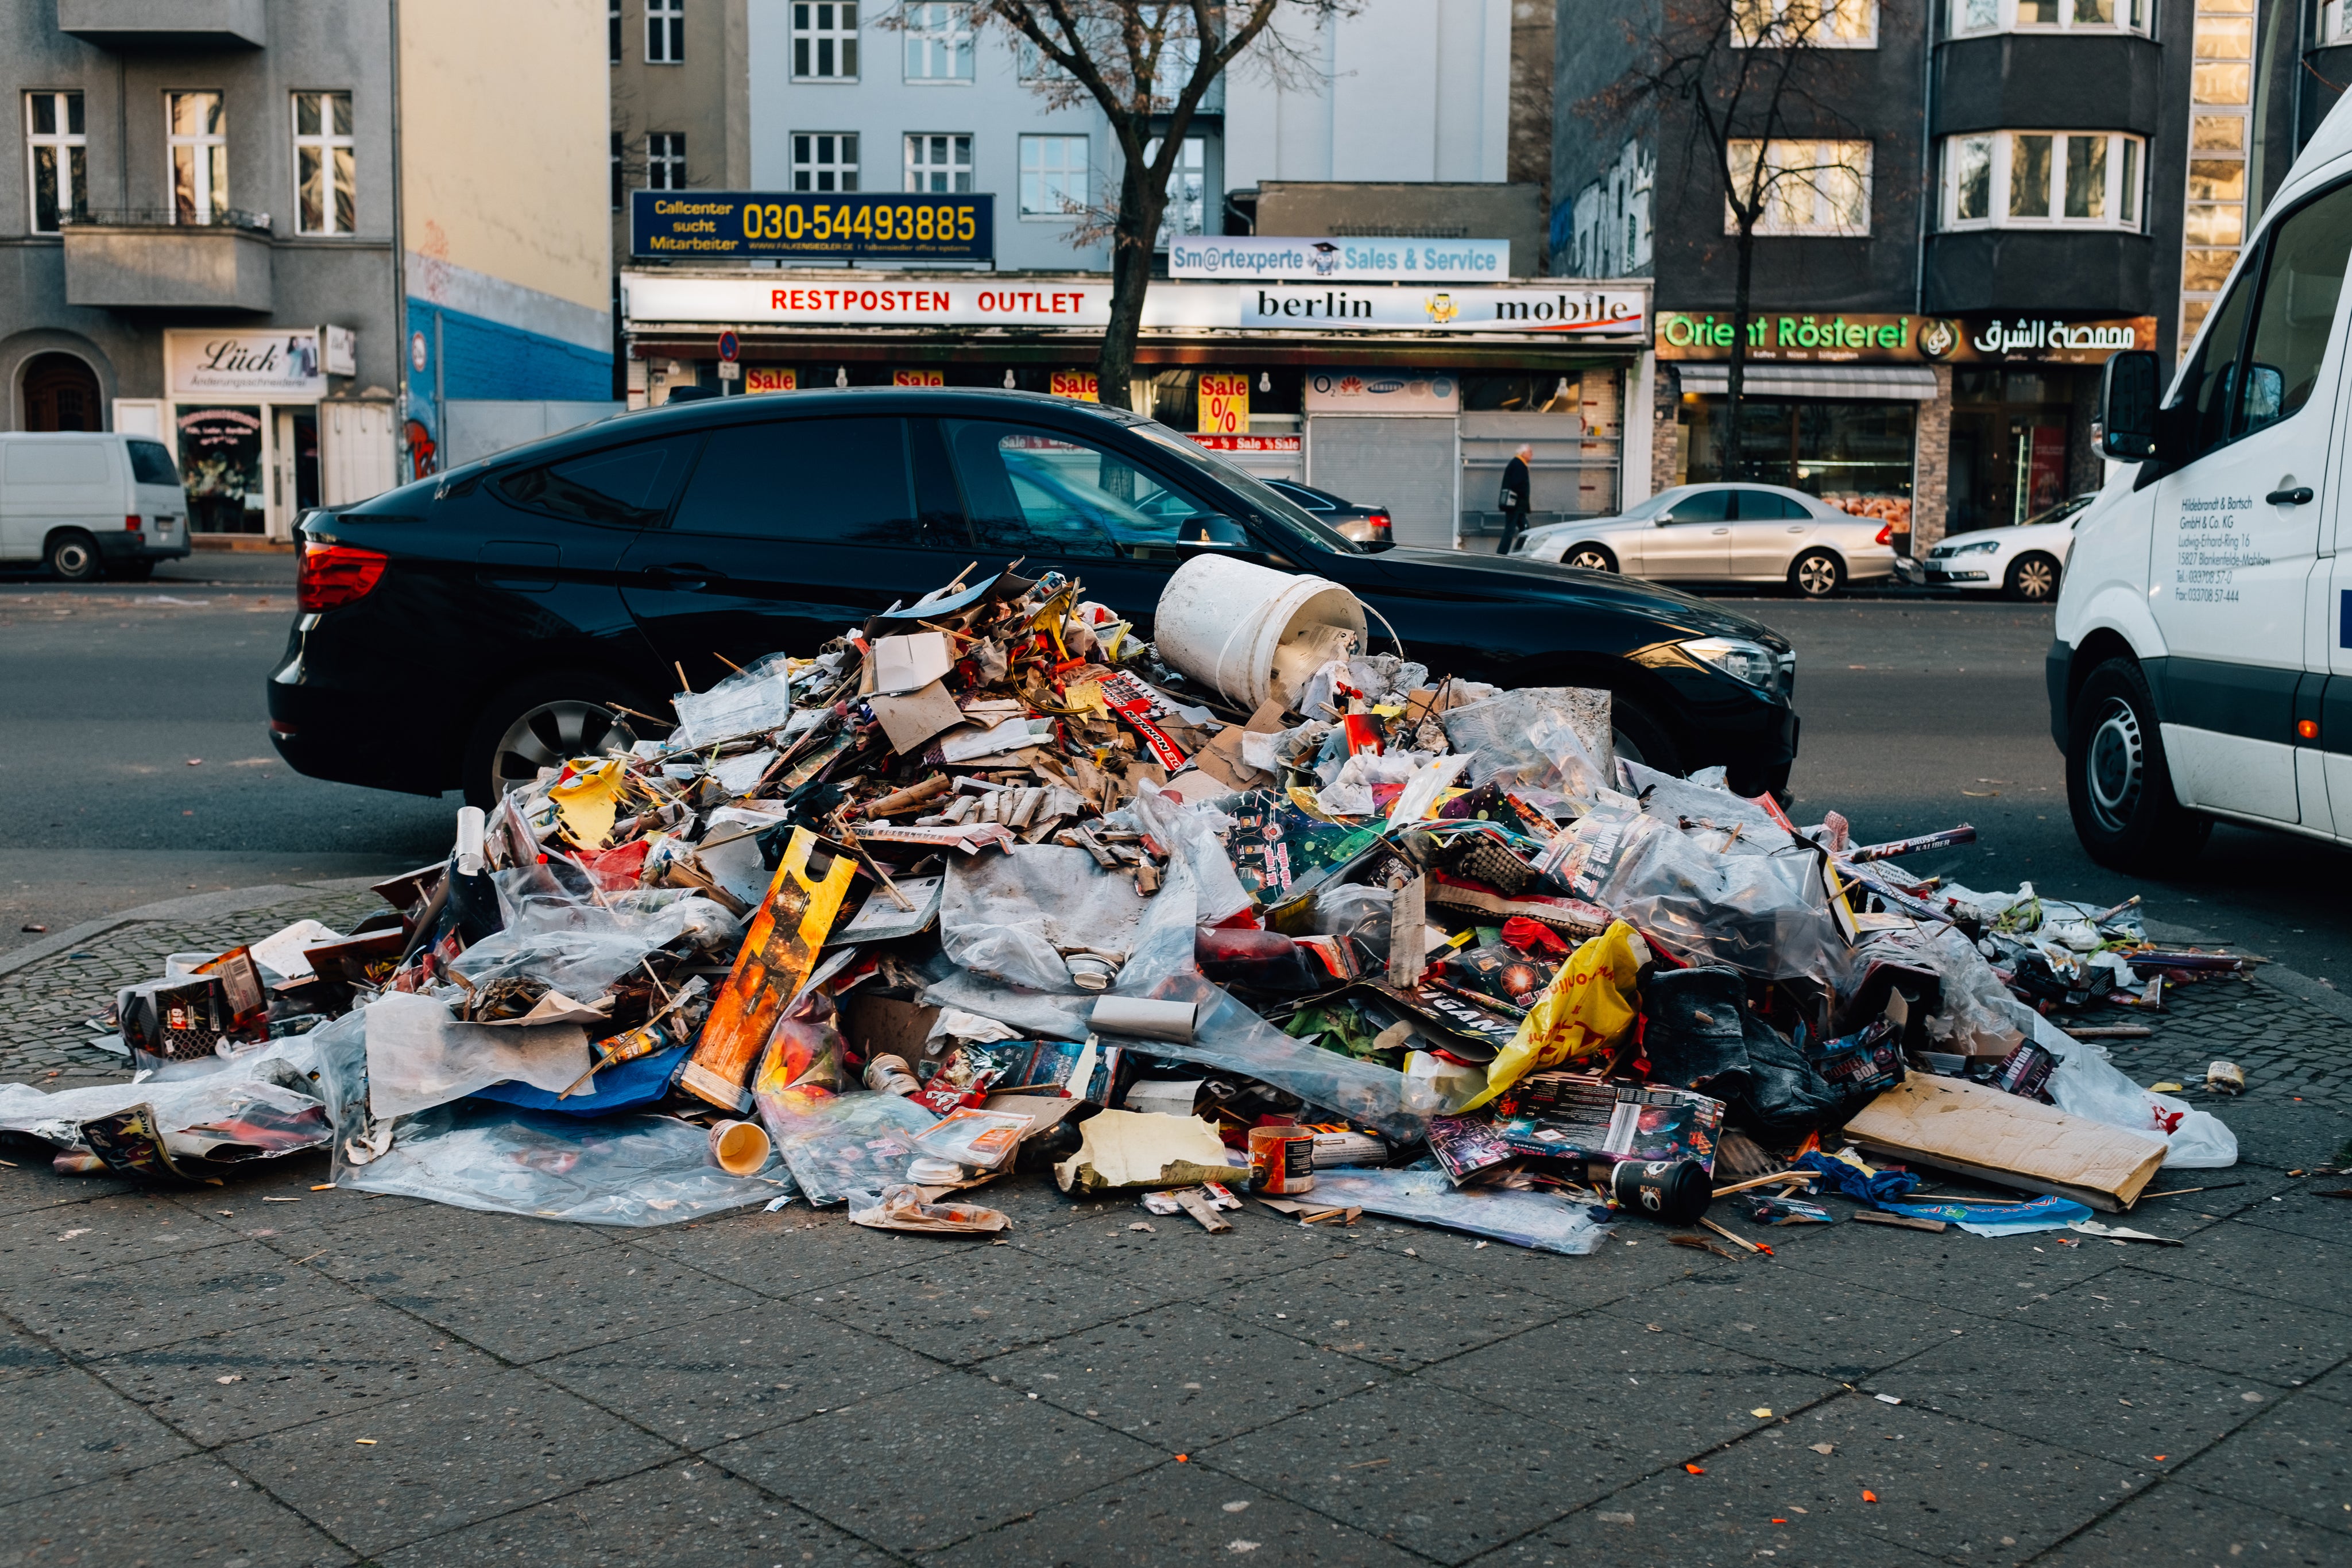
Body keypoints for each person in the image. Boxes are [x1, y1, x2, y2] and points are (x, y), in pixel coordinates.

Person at [1496, 443, 1533, 555]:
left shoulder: (1518, 463)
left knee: (1525, 530)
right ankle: (1503, 554)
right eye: (1530, 452)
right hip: (1516, 505)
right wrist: (1524, 497)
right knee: (1512, 530)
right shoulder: (1519, 464)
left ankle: (1522, 551)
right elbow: (1517, 484)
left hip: (1517, 505)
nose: (1532, 455)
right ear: (1523, 453)